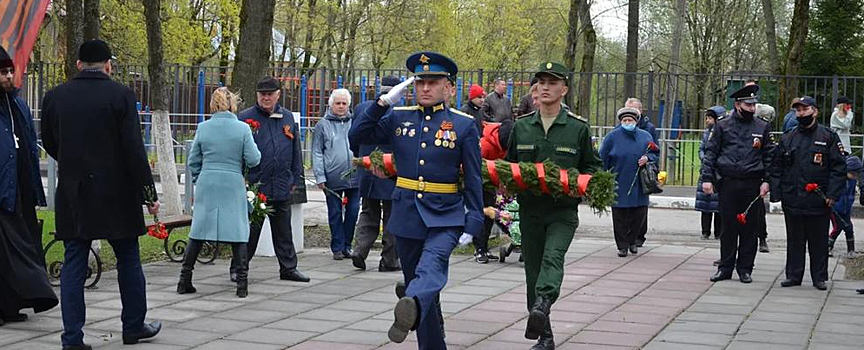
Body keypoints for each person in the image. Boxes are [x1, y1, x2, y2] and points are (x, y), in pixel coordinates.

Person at [350, 51, 483, 349]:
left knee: (431, 268)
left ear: (449, 87)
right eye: (420, 82)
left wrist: (474, 220)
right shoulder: (398, 117)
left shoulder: (463, 125)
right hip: (407, 214)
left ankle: (411, 306)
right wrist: (382, 103)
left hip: (445, 215)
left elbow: (473, 177)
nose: (425, 88)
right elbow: (357, 136)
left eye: (433, 82)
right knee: (421, 292)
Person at [41, 39, 162, 349]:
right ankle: (133, 326)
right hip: (117, 192)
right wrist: (149, 194)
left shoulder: (55, 97)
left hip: (74, 191)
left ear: (78, 64)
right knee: (128, 258)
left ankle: (72, 338)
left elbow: (51, 143)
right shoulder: (121, 96)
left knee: (74, 262)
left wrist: (74, 166)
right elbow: (134, 150)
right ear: (108, 65)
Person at [505, 62, 603, 350]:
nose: (545, 87)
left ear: (564, 89)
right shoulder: (522, 127)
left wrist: (586, 185)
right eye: (541, 82)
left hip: (562, 212)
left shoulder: (577, 128)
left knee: (552, 259)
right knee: (532, 272)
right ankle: (545, 334)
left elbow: (593, 167)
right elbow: (510, 166)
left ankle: (544, 303)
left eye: (552, 82)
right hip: (530, 211)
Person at [178, 87, 261, 298]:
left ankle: (184, 279)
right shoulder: (242, 129)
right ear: (233, 104)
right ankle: (242, 285)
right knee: (238, 232)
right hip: (232, 181)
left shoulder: (203, 128)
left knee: (198, 231)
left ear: (212, 104)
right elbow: (253, 158)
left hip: (208, 181)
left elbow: (193, 160)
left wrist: (201, 177)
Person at [0, 44, 58, 326]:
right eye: (3, 72)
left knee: (17, 252)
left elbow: (27, 147)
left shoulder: (18, 105)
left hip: (17, 189)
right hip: (1, 189)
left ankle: (12, 304)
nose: (9, 77)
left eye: (11, 71)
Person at [231, 76, 310, 283]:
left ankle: (288, 269)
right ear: (257, 95)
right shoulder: (245, 118)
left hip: (282, 182)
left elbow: (295, 151)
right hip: (256, 185)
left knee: (284, 231)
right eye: (262, 94)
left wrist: (295, 176)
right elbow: (237, 152)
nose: (266, 98)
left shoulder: (287, 118)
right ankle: (238, 267)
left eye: (270, 94)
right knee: (250, 232)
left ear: (278, 95)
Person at [770, 96, 845, 291]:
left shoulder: (828, 137)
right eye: (798, 110)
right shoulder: (788, 137)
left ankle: (819, 277)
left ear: (815, 111)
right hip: (792, 198)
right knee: (795, 240)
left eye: (805, 110)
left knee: (818, 241)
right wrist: (777, 194)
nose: (801, 113)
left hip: (818, 200)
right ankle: (793, 275)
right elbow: (776, 167)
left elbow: (838, 168)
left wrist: (832, 194)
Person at [701, 84, 773, 284]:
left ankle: (745, 269)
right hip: (728, 183)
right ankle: (725, 268)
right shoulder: (723, 125)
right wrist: (707, 178)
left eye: (754, 104)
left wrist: (767, 181)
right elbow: (711, 153)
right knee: (728, 228)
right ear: (738, 104)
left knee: (750, 228)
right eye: (748, 104)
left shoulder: (762, 126)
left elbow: (768, 157)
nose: (752, 108)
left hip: (752, 183)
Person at [348, 76, 401, 272]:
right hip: (388, 170)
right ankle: (389, 260)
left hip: (367, 167)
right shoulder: (398, 112)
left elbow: (354, 138)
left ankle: (359, 251)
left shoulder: (362, 107)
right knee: (392, 215)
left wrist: (361, 157)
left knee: (368, 212)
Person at [601, 107, 658, 257]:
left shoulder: (645, 136)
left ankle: (633, 241)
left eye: (630, 120)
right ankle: (622, 245)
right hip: (619, 181)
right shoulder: (612, 137)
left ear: (636, 122)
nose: (627, 123)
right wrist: (602, 177)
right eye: (624, 120)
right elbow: (602, 158)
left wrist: (648, 158)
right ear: (620, 122)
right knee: (620, 215)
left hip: (639, 183)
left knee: (638, 214)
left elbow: (654, 153)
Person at [313, 88, 361, 260]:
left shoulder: (355, 122)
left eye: (344, 103)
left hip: (355, 176)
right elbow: (317, 152)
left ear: (349, 105)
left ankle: (347, 245)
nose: (341, 107)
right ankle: (337, 247)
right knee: (334, 213)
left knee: (353, 211)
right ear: (331, 104)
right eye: (337, 103)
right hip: (332, 177)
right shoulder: (322, 125)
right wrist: (320, 176)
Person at [623, 97, 657, 247]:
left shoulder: (648, 128)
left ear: (640, 111)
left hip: (642, 172)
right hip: (624, 171)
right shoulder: (622, 127)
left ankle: (638, 236)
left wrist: (648, 159)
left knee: (641, 206)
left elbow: (655, 150)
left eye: (633, 111)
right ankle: (625, 236)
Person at [696, 106, 725, 240]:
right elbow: (701, 149)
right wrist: (704, 158)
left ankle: (719, 231)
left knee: (718, 205)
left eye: (710, 118)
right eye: (707, 118)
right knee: (706, 204)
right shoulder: (706, 133)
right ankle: (705, 230)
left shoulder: (723, 133)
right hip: (706, 170)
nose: (708, 121)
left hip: (718, 172)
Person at [829, 155, 860, 257]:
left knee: (849, 228)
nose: (855, 176)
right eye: (853, 173)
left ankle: (851, 250)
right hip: (835, 209)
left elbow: (851, 194)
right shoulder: (839, 179)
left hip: (846, 209)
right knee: (837, 227)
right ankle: (828, 247)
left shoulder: (853, 181)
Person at [755, 104, 776, 253]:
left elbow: (770, 152)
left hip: (757, 174)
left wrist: (766, 178)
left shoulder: (763, 129)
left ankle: (762, 238)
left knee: (758, 211)